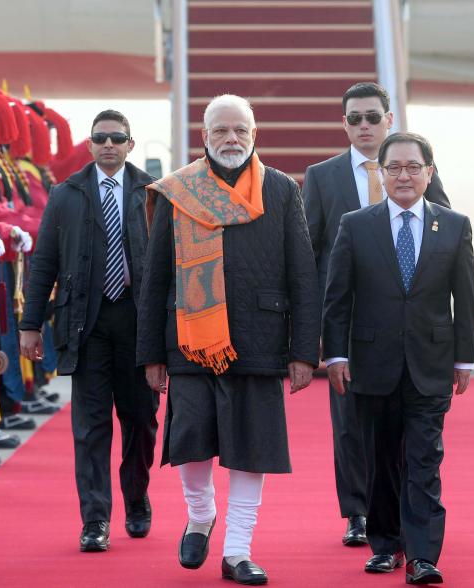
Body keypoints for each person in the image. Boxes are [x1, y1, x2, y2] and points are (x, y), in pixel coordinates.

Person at [137, 94, 319, 585]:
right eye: (221, 130)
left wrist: (304, 351)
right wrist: (150, 353)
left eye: (240, 129)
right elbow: (155, 278)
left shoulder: (281, 189)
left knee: (251, 448)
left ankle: (238, 550)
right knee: (191, 441)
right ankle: (200, 515)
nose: (231, 138)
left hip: (260, 339)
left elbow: (303, 274)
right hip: (190, 338)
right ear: (205, 136)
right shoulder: (179, 190)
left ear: (255, 134)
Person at [322, 132, 474, 584]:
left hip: (431, 362)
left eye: (413, 167)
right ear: (382, 174)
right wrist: (335, 354)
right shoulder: (356, 225)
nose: (404, 176)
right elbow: (338, 298)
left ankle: (423, 555)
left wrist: (464, 359)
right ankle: (387, 544)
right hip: (372, 364)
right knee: (381, 459)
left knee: (425, 459)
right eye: (394, 167)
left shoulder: (454, 226)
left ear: (430, 173)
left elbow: (465, 298)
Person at [302, 82, 450, 548]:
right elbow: (309, 252)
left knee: (404, 422)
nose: (363, 126)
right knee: (349, 422)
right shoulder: (322, 177)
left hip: (406, 321)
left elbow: (443, 233)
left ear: (389, 119)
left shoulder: (416, 169)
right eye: (354, 118)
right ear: (344, 124)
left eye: (372, 117)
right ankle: (357, 512)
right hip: (350, 319)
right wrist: (314, 326)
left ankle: (403, 511)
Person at [20, 109, 159, 552]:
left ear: (130, 144)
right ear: (89, 144)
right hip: (86, 323)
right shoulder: (66, 194)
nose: (108, 145)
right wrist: (30, 324)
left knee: (141, 420)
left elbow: (171, 263)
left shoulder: (153, 192)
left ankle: (136, 496)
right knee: (91, 426)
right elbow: (44, 261)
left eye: (117, 138)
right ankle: (95, 519)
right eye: (100, 138)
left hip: (138, 324)